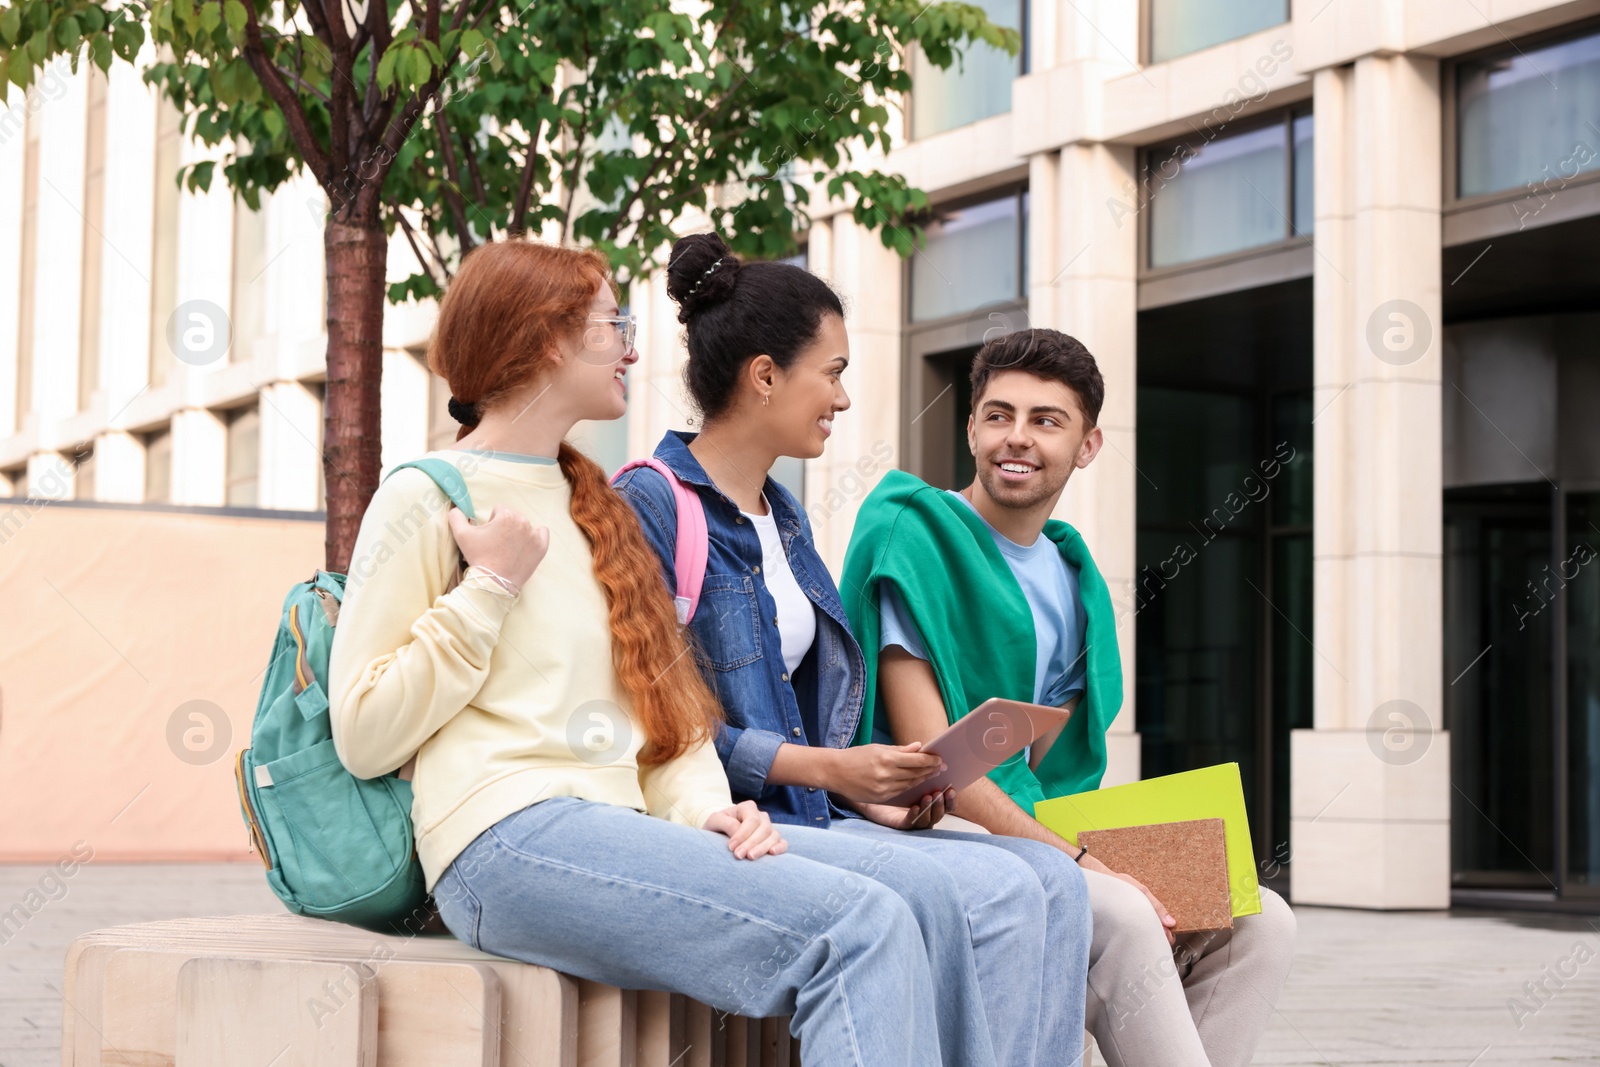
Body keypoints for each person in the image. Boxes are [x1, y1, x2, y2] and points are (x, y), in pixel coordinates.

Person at [325, 237, 970, 1067]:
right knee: (859, 925)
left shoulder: (599, 504)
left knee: (929, 896)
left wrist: (708, 805)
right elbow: (365, 731)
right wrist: (485, 591)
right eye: (610, 322)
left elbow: (663, 707)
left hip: (620, 822)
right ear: (546, 337)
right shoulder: (426, 495)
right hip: (500, 837)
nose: (633, 344)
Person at [615, 232, 1092, 1067]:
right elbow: (651, 721)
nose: (841, 397)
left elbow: (804, 710)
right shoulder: (650, 507)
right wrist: (834, 772)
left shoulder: (786, 518)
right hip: (724, 823)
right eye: (831, 372)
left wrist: (873, 794)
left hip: (817, 813)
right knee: (1005, 890)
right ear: (765, 375)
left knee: (1050, 880)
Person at [840, 328, 1297, 1067]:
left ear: (1087, 444)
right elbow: (935, 765)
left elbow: (1047, 766)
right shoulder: (913, 531)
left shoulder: (1071, 569)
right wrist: (1085, 863)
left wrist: (1112, 851)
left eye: (1046, 420)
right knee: (1119, 907)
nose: (1015, 438)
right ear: (971, 427)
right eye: (998, 414)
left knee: (1261, 916)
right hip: (928, 827)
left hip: (1036, 827)